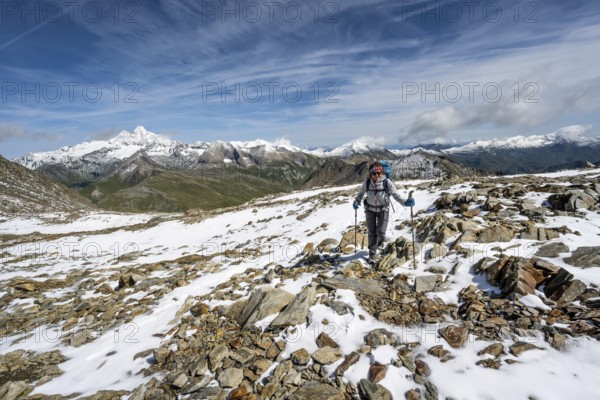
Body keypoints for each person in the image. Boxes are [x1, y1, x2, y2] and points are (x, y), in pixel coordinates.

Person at [353, 163, 415, 263]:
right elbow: (361, 194)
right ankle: (372, 254)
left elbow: (396, 195)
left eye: (379, 173)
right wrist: (357, 201)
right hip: (370, 210)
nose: (377, 175)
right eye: (374, 173)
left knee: (381, 232)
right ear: (370, 174)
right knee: (372, 233)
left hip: (383, 210)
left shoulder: (387, 182)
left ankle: (381, 242)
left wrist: (405, 202)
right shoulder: (367, 182)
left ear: (382, 173)